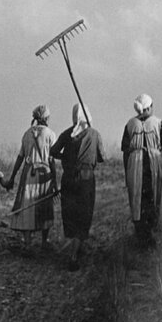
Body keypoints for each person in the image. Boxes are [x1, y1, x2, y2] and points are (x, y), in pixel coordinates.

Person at [50, 103, 105, 271]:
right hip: (86, 179)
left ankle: (75, 247)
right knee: (83, 214)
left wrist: (66, 157)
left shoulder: (67, 134)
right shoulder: (94, 134)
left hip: (68, 179)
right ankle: (74, 254)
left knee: (71, 213)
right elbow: (102, 157)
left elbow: (53, 152)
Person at [5, 105, 57, 251]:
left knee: (27, 208)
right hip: (44, 174)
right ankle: (44, 241)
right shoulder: (50, 134)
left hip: (28, 175)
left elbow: (20, 157)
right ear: (46, 118)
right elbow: (51, 159)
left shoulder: (27, 133)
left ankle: (27, 244)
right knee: (44, 206)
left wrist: (13, 177)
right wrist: (54, 180)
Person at [121, 93, 162, 247]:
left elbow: (125, 152)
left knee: (138, 200)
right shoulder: (158, 123)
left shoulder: (129, 124)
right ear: (149, 107)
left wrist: (127, 174)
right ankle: (151, 235)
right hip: (154, 163)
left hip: (134, 165)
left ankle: (142, 236)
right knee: (153, 198)